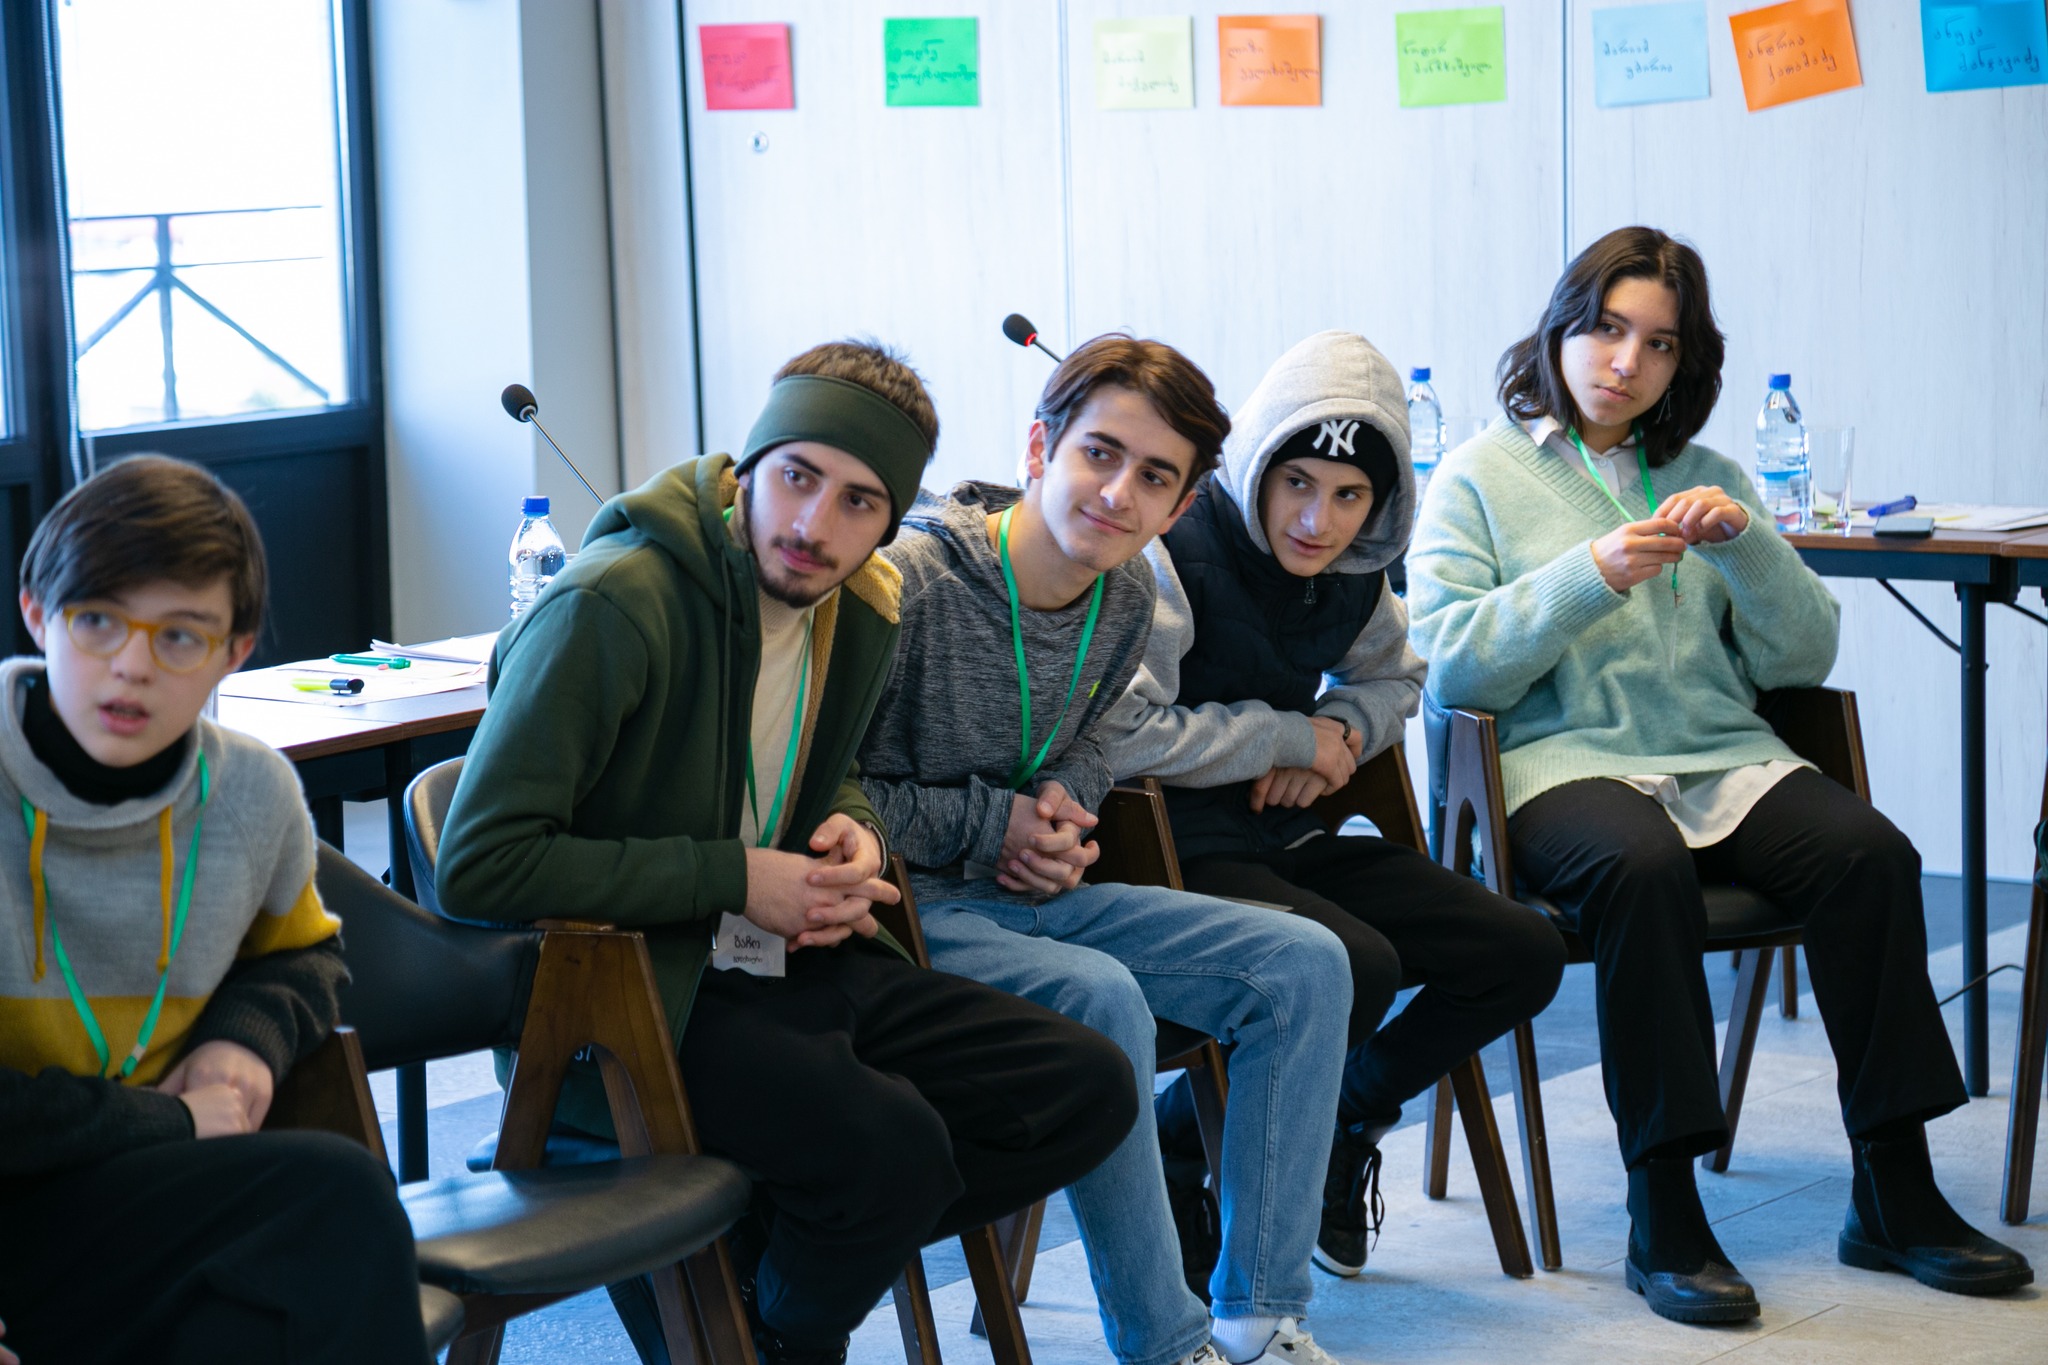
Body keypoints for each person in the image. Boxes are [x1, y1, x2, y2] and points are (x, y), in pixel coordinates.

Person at [435, 341, 1138, 1365]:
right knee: (890, 1151)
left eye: (858, 502)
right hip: (633, 996)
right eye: (798, 477)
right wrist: (735, 876)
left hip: (780, 959)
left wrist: (854, 828)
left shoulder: (858, 608)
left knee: (1084, 1086)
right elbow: (478, 867)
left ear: (887, 524)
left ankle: (765, 1305)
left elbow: (819, 769)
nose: (814, 525)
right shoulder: (612, 604)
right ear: (748, 468)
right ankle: (786, 1328)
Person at [1405, 226, 2032, 1323]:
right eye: (1606, 329)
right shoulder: (1477, 477)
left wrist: (1746, 543)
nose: (1624, 362)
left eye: (1657, 343)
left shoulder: (1711, 476)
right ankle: (1664, 1205)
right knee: (1640, 865)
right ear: (1559, 329)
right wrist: (1588, 574)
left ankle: (1894, 1188)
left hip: (1719, 755)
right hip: (1553, 767)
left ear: (1683, 363)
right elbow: (1453, 664)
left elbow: (1802, 658)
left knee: (1870, 854)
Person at [857, 334, 1354, 1365]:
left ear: (1180, 506)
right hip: (904, 912)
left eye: (1155, 478)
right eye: (1099, 454)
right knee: (1102, 995)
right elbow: (828, 795)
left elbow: (1091, 745)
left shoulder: (1127, 596)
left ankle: (1261, 1317)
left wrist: (1059, 809)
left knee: (1305, 962)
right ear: (1041, 447)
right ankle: (1164, 1343)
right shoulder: (911, 584)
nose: (1119, 493)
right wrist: (992, 827)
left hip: (1030, 893)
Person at [1100, 329, 1566, 1279]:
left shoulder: (1355, 576)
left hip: (1282, 834)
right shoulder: (1172, 555)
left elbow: (1401, 680)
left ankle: (1339, 1114)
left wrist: (1341, 732)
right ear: (1259, 467)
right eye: (1298, 483)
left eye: (1350, 495)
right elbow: (1122, 733)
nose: (1319, 520)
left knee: (1523, 950)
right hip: (1170, 850)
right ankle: (1190, 1148)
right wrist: (1285, 736)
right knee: (1355, 963)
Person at [0, 455, 429, 1364]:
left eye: (180, 636)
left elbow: (303, 956)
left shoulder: (250, 791)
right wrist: (179, 1119)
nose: (131, 666)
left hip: (130, 1190)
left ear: (235, 650)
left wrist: (245, 1040)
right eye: (96, 620)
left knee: (324, 1227)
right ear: (37, 613)